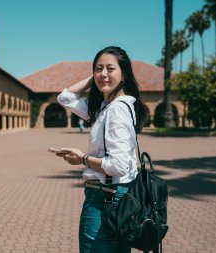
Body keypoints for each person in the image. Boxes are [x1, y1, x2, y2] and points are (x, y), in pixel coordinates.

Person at [52, 46, 147, 253]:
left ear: (124, 74)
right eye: (98, 68)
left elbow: (119, 166)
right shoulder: (106, 107)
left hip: (104, 199)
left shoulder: (116, 110)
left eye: (111, 69)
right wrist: (100, 78)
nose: (103, 73)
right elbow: (65, 98)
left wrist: (83, 159)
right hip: (121, 199)